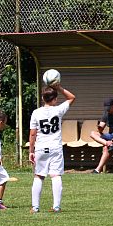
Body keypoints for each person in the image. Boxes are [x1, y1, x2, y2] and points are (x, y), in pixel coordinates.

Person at [28, 82, 76, 213]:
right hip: (55, 147)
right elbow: (72, 97)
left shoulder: (36, 113)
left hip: (41, 148)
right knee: (55, 176)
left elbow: (33, 133)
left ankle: (35, 207)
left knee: (39, 176)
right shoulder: (58, 110)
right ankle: (56, 206)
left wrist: (31, 151)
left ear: (43, 98)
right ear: (55, 99)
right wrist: (59, 87)